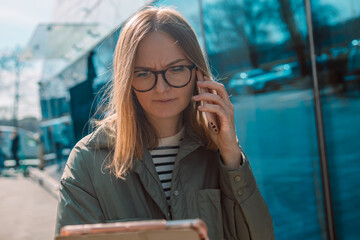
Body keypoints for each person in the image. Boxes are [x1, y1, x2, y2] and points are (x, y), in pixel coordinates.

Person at [56, 7, 274, 239]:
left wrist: (231, 153)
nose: (161, 88)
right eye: (143, 73)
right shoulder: (87, 161)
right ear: (127, 81)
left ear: (198, 74)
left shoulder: (218, 152)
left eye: (176, 69)